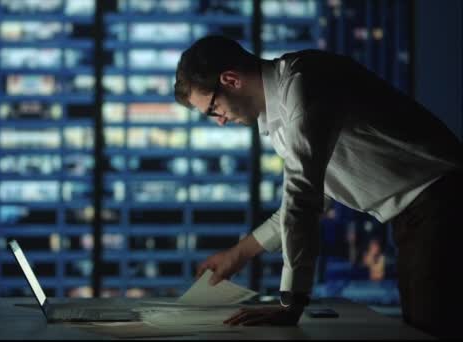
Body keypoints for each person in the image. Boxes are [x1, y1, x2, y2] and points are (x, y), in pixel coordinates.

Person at [174, 35, 463, 338]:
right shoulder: (282, 121)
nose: (218, 121)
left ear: (230, 80)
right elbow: (315, 194)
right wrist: (239, 254)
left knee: (430, 332)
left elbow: (304, 196)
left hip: (441, 200)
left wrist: (291, 302)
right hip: (419, 212)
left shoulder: (304, 82)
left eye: (212, 109)